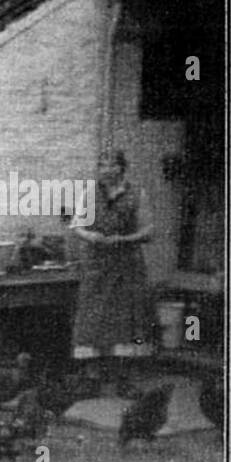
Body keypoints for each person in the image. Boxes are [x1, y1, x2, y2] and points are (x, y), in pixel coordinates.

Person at [70, 151, 156, 397]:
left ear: (122, 168)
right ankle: (92, 378)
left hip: (126, 265)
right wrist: (91, 236)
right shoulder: (90, 193)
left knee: (125, 321)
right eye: (102, 165)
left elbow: (149, 230)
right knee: (92, 321)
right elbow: (77, 225)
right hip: (96, 267)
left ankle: (124, 380)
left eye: (112, 165)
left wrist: (125, 238)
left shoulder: (137, 194)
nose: (106, 170)